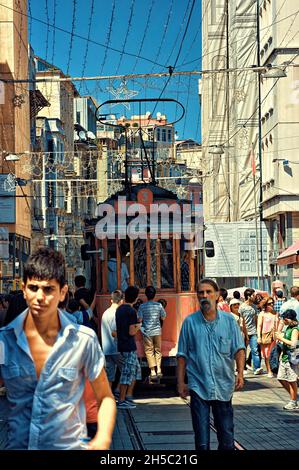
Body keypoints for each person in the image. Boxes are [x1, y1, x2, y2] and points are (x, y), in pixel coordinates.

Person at [0, 247, 116, 450]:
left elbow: (105, 397)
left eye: (48, 289)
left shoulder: (83, 341)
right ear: (24, 290)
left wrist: (103, 438)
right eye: (33, 288)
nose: (39, 297)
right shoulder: (4, 342)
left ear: (62, 292)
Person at [177, 278, 245, 451]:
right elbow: (182, 355)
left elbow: (239, 349)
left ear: (216, 295)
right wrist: (180, 382)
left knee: (227, 440)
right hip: (199, 385)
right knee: (202, 441)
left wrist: (240, 374)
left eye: (208, 292)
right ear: (197, 296)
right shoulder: (190, 323)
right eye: (201, 293)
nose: (205, 296)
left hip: (223, 386)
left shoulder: (229, 321)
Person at [115, 285, 142, 410]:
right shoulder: (131, 312)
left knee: (134, 370)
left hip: (121, 344)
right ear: (136, 298)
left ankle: (124, 396)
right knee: (127, 372)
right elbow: (131, 332)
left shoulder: (119, 309)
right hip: (129, 345)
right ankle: (122, 399)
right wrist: (139, 325)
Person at [138, 286, 167, 379]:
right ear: (155, 295)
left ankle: (153, 371)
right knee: (158, 350)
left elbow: (140, 319)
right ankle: (159, 369)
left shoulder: (142, 306)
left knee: (149, 351)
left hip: (147, 332)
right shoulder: (159, 305)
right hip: (157, 331)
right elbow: (163, 317)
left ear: (146, 295)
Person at [275, 309, 299, 410]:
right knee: (281, 378)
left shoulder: (295, 329)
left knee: (291, 380)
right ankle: (294, 397)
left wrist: (281, 339)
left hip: (292, 358)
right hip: (285, 357)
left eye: (284, 319)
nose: (283, 321)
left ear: (288, 319)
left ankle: (293, 401)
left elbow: (293, 343)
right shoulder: (289, 328)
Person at [101, 290, 124, 390]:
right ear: (122, 301)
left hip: (106, 349)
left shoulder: (105, 313)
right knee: (126, 370)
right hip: (116, 348)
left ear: (111, 300)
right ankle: (119, 390)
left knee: (110, 375)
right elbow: (114, 332)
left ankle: (109, 395)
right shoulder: (116, 314)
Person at [239, 288, 263, 375]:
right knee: (243, 351)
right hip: (243, 332)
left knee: (255, 350)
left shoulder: (254, 307)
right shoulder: (242, 307)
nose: (255, 297)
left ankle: (257, 368)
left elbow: (256, 319)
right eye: (253, 295)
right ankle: (243, 367)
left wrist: (258, 331)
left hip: (253, 332)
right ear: (248, 296)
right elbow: (240, 320)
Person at [257, 297, 279, 378]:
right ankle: (269, 370)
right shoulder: (262, 314)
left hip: (274, 336)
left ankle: (274, 369)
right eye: (270, 303)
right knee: (267, 354)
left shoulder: (275, 313)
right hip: (265, 335)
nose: (272, 305)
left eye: (273, 303)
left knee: (274, 353)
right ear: (265, 305)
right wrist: (259, 337)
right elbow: (259, 326)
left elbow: (278, 324)